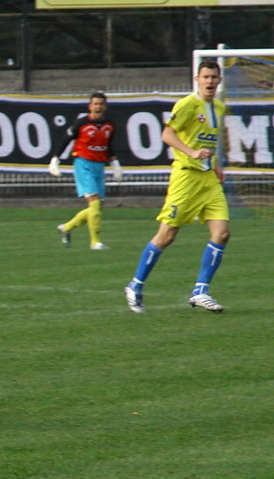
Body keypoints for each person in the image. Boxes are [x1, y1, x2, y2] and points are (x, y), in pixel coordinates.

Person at [124, 59, 229, 314]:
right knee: (167, 236)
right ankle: (135, 285)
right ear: (197, 79)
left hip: (208, 181)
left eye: (214, 77)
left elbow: (208, 141)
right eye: (205, 77)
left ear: (219, 80)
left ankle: (200, 291)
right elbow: (167, 135)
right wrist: (191, 152)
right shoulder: (187, 104)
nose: (210, 82)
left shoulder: (218, 107)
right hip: (185, 178)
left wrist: (215, 165)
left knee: (222, 233)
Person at [49, 92, 122, 250]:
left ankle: (67, 228)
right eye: (95, 104)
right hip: (83, 164)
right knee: (95, 203)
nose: (98, 107)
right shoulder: (81, 123)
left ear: (105, 106)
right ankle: (95, 242)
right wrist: (55, 159)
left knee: (96, 208)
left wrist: (115, 162)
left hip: (99, 166)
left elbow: (108, 146)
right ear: (90, 106)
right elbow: (65, 139)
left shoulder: (110, 124)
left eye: (101, 104)